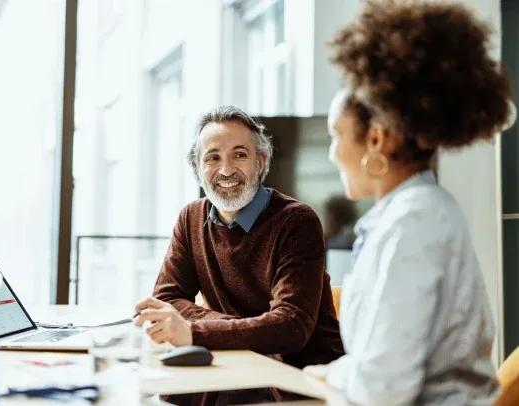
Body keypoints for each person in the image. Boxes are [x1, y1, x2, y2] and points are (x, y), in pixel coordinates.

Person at [304, 0, 511, 404]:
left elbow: (383, 389)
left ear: (377, 140)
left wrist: (335, 377)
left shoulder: (414, 223)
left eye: (335, 135)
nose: (331, 153)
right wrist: (341, 372)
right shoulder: (413, 214)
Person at [134, 105, 343, 368]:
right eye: (212, 158)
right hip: (229, 362)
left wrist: (194, 332)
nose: (226, 170)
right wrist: (240, 331)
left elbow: (291, 326)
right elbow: (167, 300)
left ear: (261, 162)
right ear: (198, 169)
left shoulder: (297, 221)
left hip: (300, 376)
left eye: (240, 155)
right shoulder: (191, 218)